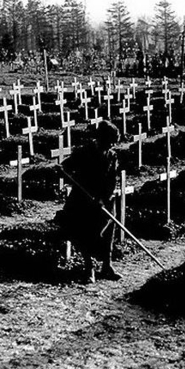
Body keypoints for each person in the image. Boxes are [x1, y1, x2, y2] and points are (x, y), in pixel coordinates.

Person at [55, 120, 121, 283]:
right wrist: (61, 171)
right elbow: (65, 168)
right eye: (110, 141)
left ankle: (107, 265)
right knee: (81, 230)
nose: (112, 145)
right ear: (101, 139)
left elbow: (112, 180)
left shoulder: (112, 155)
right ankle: (89, 266)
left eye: (113, 142)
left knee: (107, 230)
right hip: (82, 200)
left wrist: (103, 198)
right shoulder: (84, 152)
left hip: (103, 200)